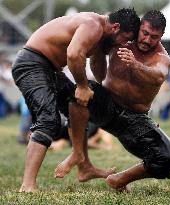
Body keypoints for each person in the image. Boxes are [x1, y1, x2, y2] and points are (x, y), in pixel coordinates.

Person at [11, 8, 140, 192]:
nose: (123, 44)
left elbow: (99, 74)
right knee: (48, 120)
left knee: (80, 105)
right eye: (124, 39)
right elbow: (73, 54)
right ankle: (28, 185)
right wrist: (81, 86)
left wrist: (105, 51)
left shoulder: (101, 35)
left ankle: (84, 167)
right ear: (116, 27)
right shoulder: (93, 24)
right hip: (31, 64)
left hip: (49, 68)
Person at [55, 10, 170, 191]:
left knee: (169, 159)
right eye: (144, 33)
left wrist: (135, 65)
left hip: (135, 119)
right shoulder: (122, 40)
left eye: (154, 37)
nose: (147, 40)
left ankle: (119, 180)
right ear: (139, 28)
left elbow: (157, 77)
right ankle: (81, 160)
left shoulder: (162, 57)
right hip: (108, 104)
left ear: (161, 36)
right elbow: (96, 53)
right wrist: (98, 60)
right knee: (79, 89)